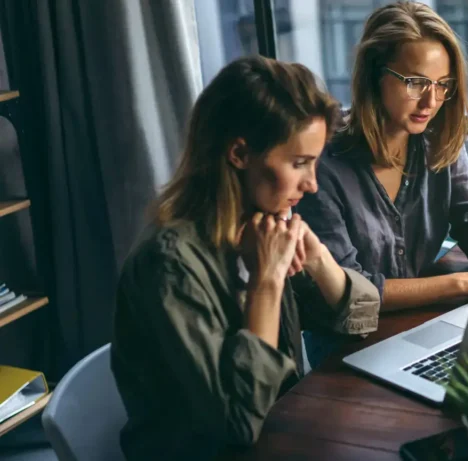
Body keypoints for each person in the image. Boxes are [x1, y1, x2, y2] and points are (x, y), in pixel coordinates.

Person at [111, 56, 381, 460]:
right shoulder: (169, 265)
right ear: (239, 153)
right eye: (299, 163)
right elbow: (238, 423)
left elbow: (363, 316)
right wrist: (267, 283)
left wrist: (318, 259)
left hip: (285, 437)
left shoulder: (263, 227)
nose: (311, 185)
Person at [297, 1, 468, 368]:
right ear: (373, 74)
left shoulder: (437, 142)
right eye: (415, 83)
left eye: (442, 85)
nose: (431, 101)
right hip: (343, 350)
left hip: (417, 327)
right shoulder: (323, 162)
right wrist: (465, 283)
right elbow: (353, 289)